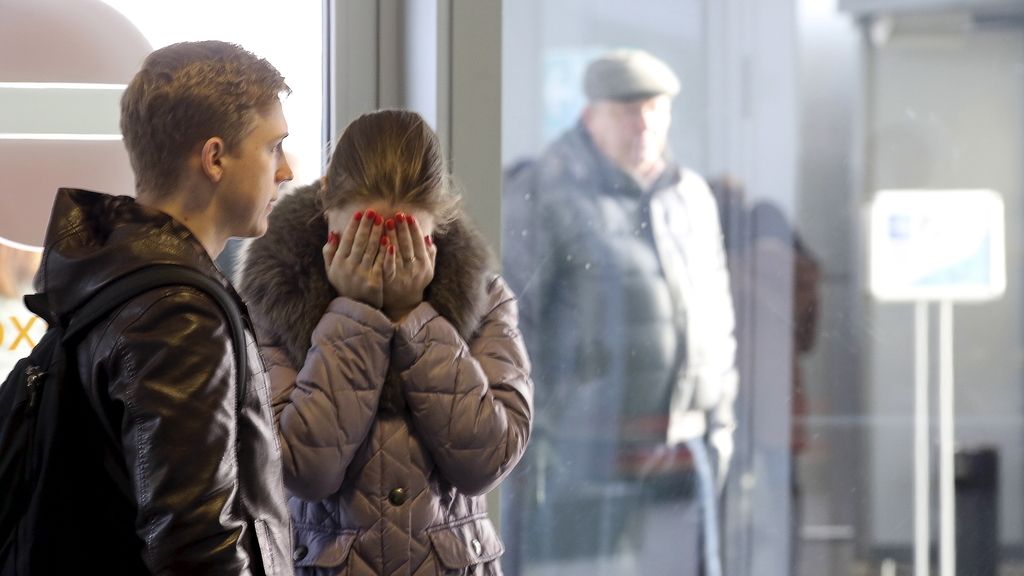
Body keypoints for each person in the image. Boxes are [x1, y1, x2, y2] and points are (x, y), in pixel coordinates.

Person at [28, 41, 295, 573]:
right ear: (215, 157)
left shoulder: (116, 277)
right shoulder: (177, 315)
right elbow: (197, 548)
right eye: (273, 147)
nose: (285, 171)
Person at [237, 109, 534, 575]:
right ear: (325, 199)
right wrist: (354, 317)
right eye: (359, 235)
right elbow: (300, 470)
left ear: (438, 223)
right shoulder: (274, 298)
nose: (381, 258)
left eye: (403, 239)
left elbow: (488, 459)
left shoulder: (486, 299)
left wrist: (413, 315)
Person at [502, 48, 737, 575]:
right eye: (628, 110)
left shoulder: (691, 197)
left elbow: (720, 322)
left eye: (655, 108)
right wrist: (531, 441)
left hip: (683, 452)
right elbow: (514, 328)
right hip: (585, 453)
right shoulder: (545, 191)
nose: (644, 123)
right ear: (590, 116)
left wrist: (721, 429)